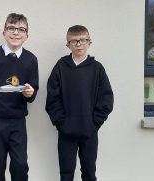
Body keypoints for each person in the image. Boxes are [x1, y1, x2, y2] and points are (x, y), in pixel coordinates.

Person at [45, 25, 114, 181]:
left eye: (82, 40)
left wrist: (95, 123)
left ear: (89, 42)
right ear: (68, 45)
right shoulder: (61, 66)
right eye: (74, 41)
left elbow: (106, 98)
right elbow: (52, 98)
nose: (78, 45)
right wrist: (61, 122)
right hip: (66, 131)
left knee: (89, 174)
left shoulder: (97, 69)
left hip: (89, 131)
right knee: (66, 174)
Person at [0, 13, 39, 181]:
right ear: (4, 32)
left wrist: (30, 94)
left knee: (20, 165)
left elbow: (33, 92)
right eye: (11, 28)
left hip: (17, 120)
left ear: (27, 35)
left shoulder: (31, 60)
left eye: (21, 29)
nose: (16, 33)